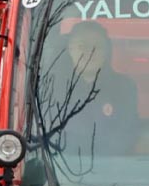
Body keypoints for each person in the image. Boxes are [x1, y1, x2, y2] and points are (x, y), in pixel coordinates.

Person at [51, 20, 138, 159]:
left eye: (97, 46)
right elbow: (50, 134)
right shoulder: (52, 87)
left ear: (107, 52)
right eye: (82, 46)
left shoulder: (124, 87)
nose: (90, 52)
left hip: (112, 165)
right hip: (60, 165)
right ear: (69, 50)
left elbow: (126, 135)